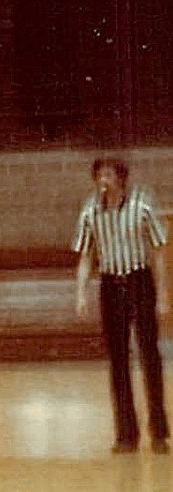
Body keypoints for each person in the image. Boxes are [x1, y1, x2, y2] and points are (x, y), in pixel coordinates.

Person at [73, 155, 168, 452]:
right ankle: (126, 434)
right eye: (100, 175)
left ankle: (159, 433)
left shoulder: (142, 204)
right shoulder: (90, 210)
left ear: (121, 179)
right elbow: (86, 255)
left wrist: (163, 294)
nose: (104, 181)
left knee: (149, 356)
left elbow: (159, 251)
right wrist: (81, 292)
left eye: (109, 175)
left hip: (139, 280)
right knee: (117, 361)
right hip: (111, 285)